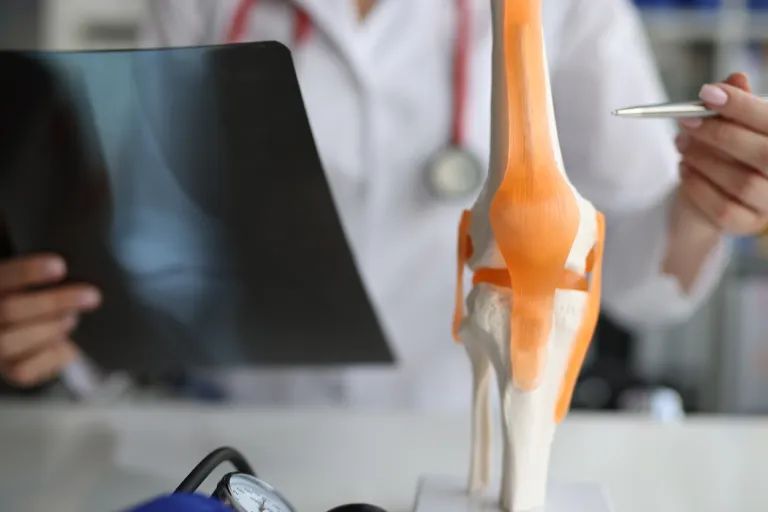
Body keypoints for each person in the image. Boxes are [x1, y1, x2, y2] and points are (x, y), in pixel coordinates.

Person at [0, 0, 766, 409]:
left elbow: (635, 281)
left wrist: (707, 205)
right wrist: (69, 337)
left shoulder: (570, 11)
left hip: (474, 435)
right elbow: (153, 236)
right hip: (252, 436)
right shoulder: (202, 5)